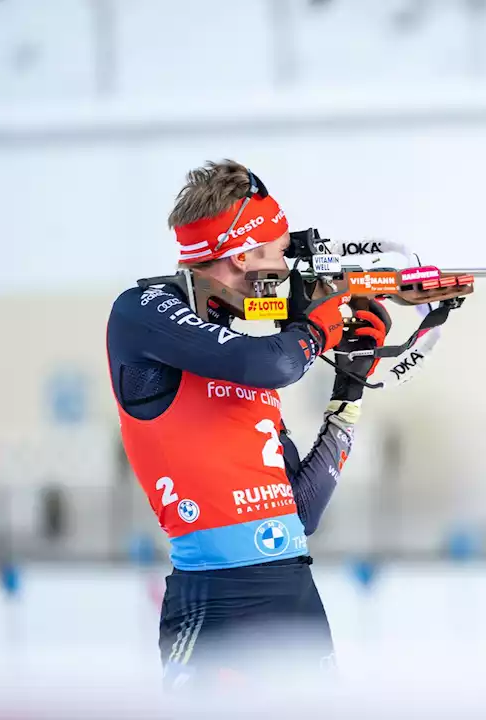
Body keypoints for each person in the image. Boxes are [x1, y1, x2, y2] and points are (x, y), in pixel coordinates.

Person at [106, 160, 390, 689]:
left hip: (293, 589)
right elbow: (276, 363)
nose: (286, 269)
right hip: (214, 600)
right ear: (243, 253)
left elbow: (301, 512)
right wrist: (320, 326)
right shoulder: (142, 311)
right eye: (281, 252)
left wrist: (348, 391)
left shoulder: (244, 346)